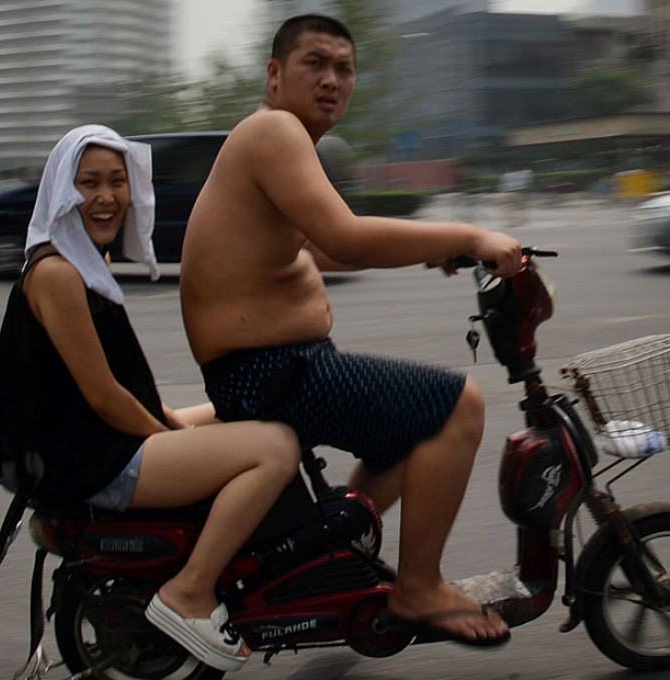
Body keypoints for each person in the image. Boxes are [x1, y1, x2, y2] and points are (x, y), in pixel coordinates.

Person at [179, 15, 521, 647]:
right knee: (458, 408)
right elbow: (349, 237)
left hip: (274, 369)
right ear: (275, 75)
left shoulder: (277, 142)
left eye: (345, 67)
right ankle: (419, 588)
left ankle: (334, 553)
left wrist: (432, 249)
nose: (333, 79)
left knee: (405, 436)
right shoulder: (274, 130)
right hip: (275, 374)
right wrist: (470, 234)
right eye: (316, 63)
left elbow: (316, 247)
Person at [0, 124, 301, 672]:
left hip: (98, 440)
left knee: (238, 408)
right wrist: (174, 436)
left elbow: (125, 389)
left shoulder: (83, 262)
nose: (105, 197)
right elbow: (104, 397)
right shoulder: (56, 273)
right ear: (61, 191)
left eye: (117, 182)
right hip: (94, 459)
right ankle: (190, 592)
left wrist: (180, 424)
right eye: (88, 183)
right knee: (276, 446)